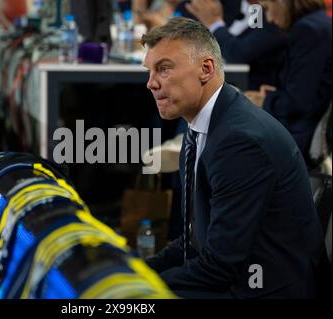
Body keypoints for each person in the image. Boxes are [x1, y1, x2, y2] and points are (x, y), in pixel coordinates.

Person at [142, 17, 324, 298]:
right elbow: (194, 242)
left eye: (163, 69)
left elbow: (219, 266)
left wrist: (136, 288)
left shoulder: (239, 142)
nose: (151, 83)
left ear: (206, 69)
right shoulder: (205, 127)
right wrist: (136, 270)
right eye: (150, 71)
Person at [245, 0, 332, 166]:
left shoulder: (308, 29)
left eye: (268, 9)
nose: (269, 19)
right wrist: (273, 95)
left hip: (299, 139)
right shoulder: (319, 22)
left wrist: (263, 101)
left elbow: (299, 103)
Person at [185, 0, 287, 90]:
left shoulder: (276, 14)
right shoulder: (226, 4)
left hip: (255, 94)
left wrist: (214, 24)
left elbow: (240, 52)